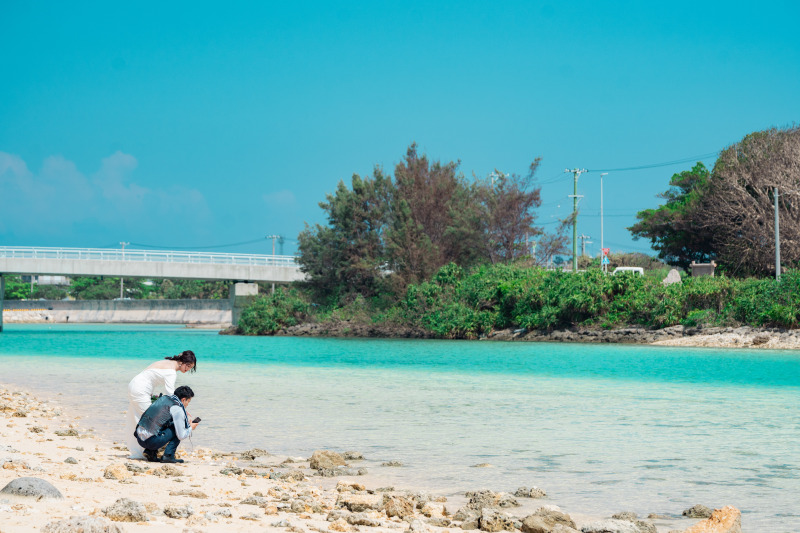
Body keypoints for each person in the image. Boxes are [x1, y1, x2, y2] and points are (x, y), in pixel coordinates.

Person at [125, 350, 197, 459]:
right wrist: (181, 411)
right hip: (140, 390)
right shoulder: (171, 372)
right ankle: (153, 451)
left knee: (140, 418)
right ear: (182, 361)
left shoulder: (167, 363)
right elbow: (171, 395)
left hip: (135, 386)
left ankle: (146, 451)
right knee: (156, 420)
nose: (188, 369)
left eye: (190, 368)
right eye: (188, 366)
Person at [135, 385, 199, 463]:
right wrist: (190, 428)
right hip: (151, 441)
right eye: (188, 401)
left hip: (139, 438)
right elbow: (181, 435)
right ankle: (168, 456)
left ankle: (150, 452)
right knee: (177, 429)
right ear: (183, 400)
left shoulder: (164, 399)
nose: (188, 404)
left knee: (164, 423)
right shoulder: (177, 409)